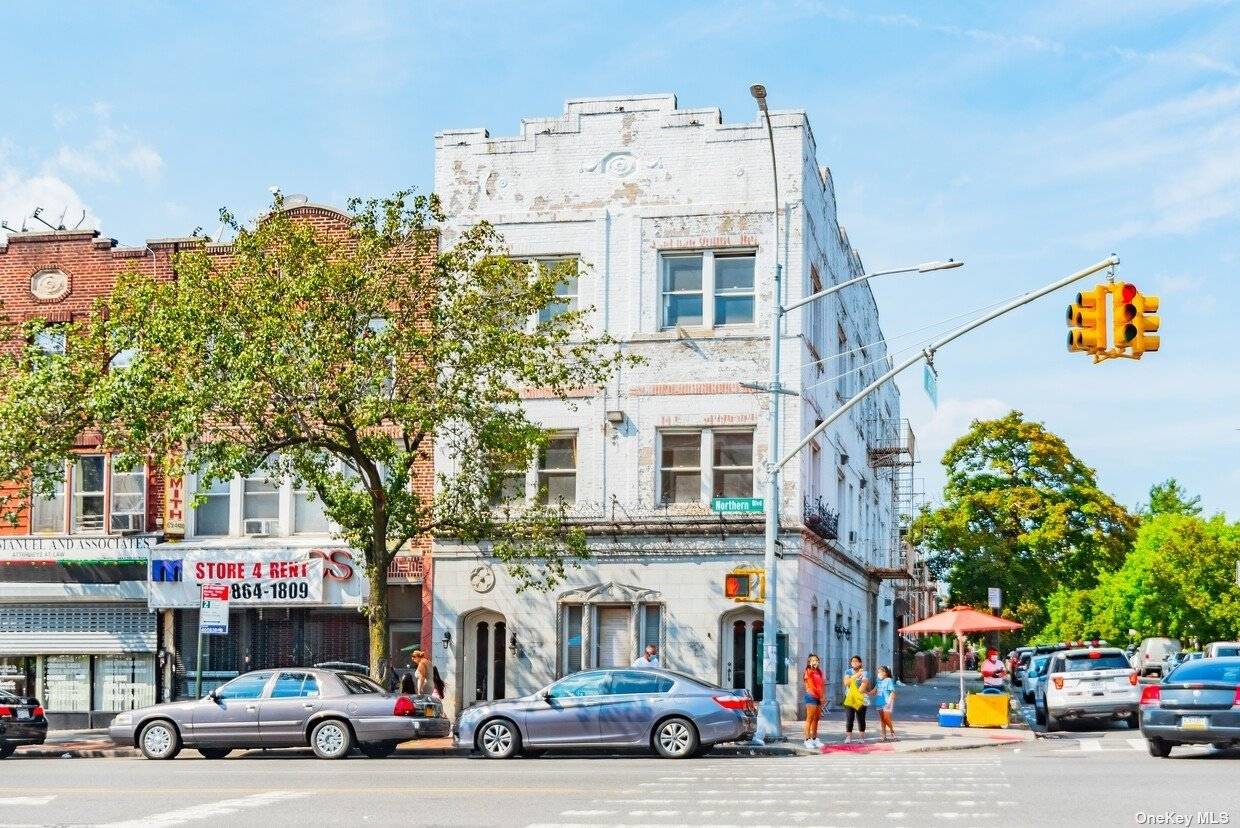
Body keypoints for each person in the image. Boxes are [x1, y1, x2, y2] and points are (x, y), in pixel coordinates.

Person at [842, 655, 870, 743]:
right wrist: (857, 675)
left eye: (856, 661)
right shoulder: (848, 671)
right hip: (849, 698)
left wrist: (854, 681)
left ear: (860, 663)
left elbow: (864, 684)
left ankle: (861, 738)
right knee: (849, 718)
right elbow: (846, 683)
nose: (854, 663)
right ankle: (848, 738)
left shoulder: (865, 673)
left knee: (861, 718)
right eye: (853, 661)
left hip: (860, 698)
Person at [802, 654, 826, 749]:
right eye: (813, 660)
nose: (816, 662)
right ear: (809, 662)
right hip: (811, 696)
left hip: (819, 697)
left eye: (817, 660)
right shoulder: (808, 671)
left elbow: (821, 685)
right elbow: (812, 686)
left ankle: (814, 738)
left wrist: (823, 696)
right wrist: (820, 696)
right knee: (810, 718)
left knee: (817, 718)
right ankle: (807, 740)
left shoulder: (819, 672)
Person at [874, 665, 897, 741]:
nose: (879, 673)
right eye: (878, 672)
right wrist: (864, 691)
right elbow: (874, 691)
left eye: (880, 672)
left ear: (885, 673)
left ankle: (892, 732)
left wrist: (889, 702)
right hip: (879, 701)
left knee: (886, 718)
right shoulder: (879, 681)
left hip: (887, 702)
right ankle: (883, 736)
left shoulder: (889, 680)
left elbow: (893, 692)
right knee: (882, 720)